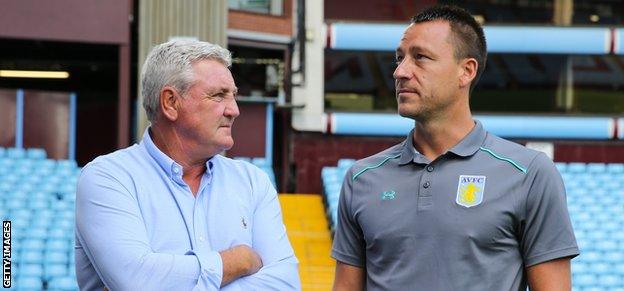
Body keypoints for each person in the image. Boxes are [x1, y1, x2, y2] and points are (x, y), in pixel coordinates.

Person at [332, 5, 578, 291]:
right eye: (399, 59)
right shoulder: (360, 178)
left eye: (420, 57)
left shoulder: (530, 174)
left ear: (466, 71)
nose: (400, 72)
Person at [75, 40, 300, 290]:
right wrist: (237, 262)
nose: (234, 110)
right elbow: (137, 281)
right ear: (171, 102)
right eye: (218, 95)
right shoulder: (108, 179)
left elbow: (285, 284)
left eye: (233, 96)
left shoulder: (252, 182)